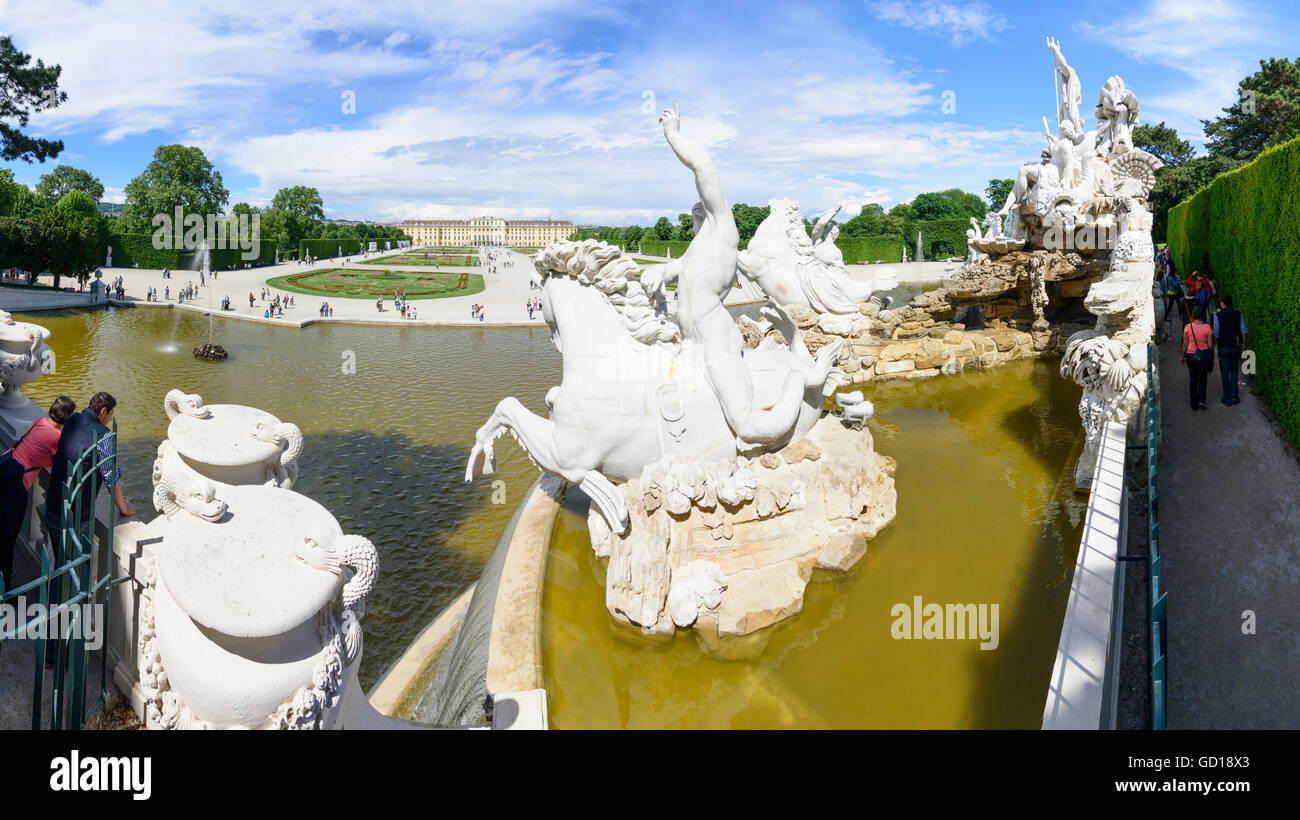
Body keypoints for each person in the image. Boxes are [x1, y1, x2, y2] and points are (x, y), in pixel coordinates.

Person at [0, 396, 75, 585]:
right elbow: (60, 462)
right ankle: (5, 587)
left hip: (7, 470)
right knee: (7, 538)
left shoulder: (40, 421)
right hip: (17, 485)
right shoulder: (56, 437)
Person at [1213, 294, 1248, 406]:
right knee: (1234, 370)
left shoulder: (1217, 315)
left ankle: (1227, 397)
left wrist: (1213, 347)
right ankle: (1234, 395)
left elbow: (1216, 333)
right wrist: (1243, 344)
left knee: (1224, 372)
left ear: (1223, 303)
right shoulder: (1238, 314)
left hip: (1223, 346)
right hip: (1234, 345)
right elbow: (1243, 330)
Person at [1181, 303, 1214, 411]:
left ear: (1194, 314)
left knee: (1193, 379)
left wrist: (1183, 355)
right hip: (1203, 356)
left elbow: (1185, 344)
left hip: (1191, 355)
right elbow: (1210, 345)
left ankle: (1193, 404)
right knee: (1203, 378)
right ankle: (1201, 400)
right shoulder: (1207, 328)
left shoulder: (1188, 327)